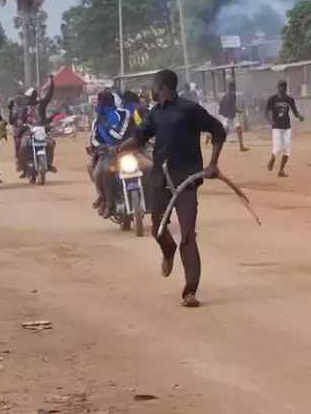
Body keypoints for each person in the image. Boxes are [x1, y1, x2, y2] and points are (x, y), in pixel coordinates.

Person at [117, 69, 226, 308]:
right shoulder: (155, 114)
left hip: (187, 180)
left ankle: (190, 291)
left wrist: (213, 164)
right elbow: (140, 136)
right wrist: (121, 148)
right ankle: (168, 250)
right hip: (161, 179)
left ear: (162, 87)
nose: (151, 91)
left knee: (188, 233)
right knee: (157, 229)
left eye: (153, 86)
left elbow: (218, 130)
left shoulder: (189, 109)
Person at [89, 91, 131, 217]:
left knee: (149, 166)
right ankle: (106, 200)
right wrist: (101, 146)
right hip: (107, 153)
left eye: (102, 103)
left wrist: (107, 126)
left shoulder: (123, 114)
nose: (100, 106)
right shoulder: (97, 120)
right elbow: (93, 139)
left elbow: (120, 135)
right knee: (100, 172)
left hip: (126, 149)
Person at [16, 76, 56, 178]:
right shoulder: (24, 108)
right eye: (28, 97)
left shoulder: (41, 105)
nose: (28, 99)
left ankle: (49, 164)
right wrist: (21, 123)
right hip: (28, 132)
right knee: (23, 145)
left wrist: (52, 83)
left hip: (41, 131)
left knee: (51, 143)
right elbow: (20, 119)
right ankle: (23, 167)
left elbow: (49, 96)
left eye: (30, 97)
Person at [265, 80, 303, 177]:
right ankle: (272, 159)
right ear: (277, 87)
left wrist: (299, 116)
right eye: (280, 86)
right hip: (276, 127)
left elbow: (295, 112)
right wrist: (270, 121)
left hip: (287, 127)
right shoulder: (272, 99)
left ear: (286, 88)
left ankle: (281, 171)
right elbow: (266, 112)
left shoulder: (289, 99)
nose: (281, 88)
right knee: (277, 147)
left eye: (283, 87)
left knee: (287, 150)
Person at [219, 82, 249, 152]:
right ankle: (241, 147)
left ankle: (219, 143)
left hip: (228, 114)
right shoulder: (233, 94)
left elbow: (220, 103)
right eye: (234, 87)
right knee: (237, 130)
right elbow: (233, 105)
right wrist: (238, 110)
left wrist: (224, 111)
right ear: (233, 87)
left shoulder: (225, 94)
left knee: (228, 130)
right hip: (231, 115)